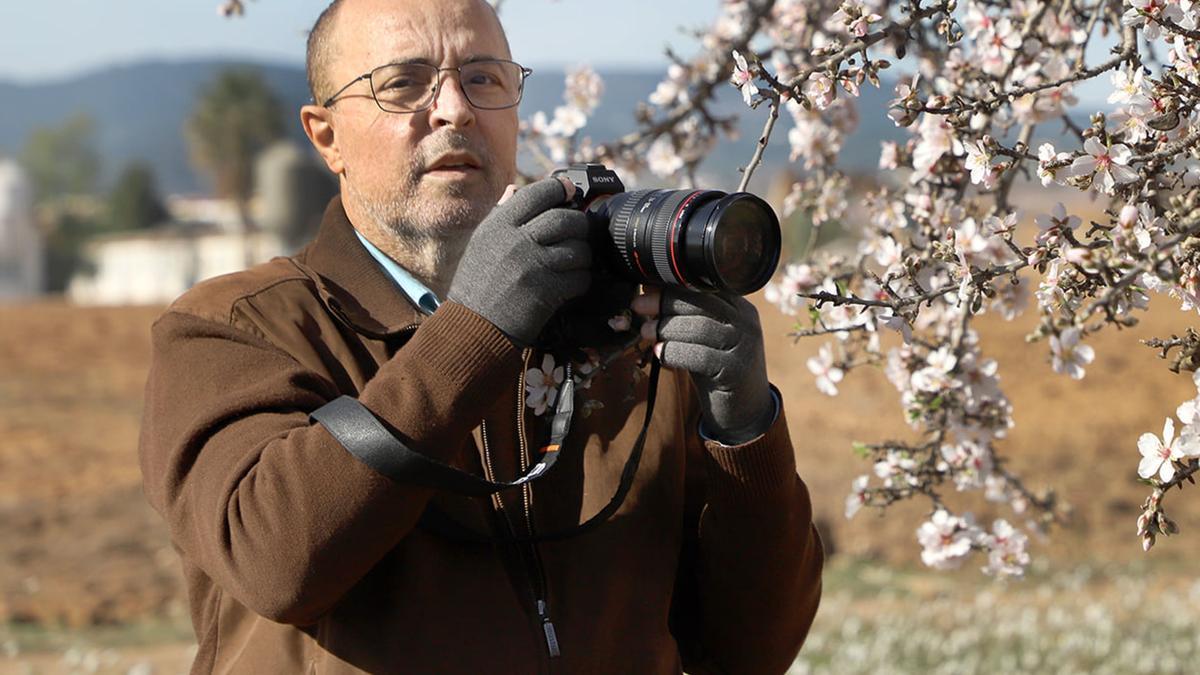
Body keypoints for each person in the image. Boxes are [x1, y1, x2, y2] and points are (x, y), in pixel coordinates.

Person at [138, 0, 823, 672]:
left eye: (484, 79)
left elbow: (751, 649)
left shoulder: (621, 334)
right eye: (404, 82)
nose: (455, 109)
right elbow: (276, 560)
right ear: (326, 137)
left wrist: (744, 431)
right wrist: (477, 331)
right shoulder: (236, 328)